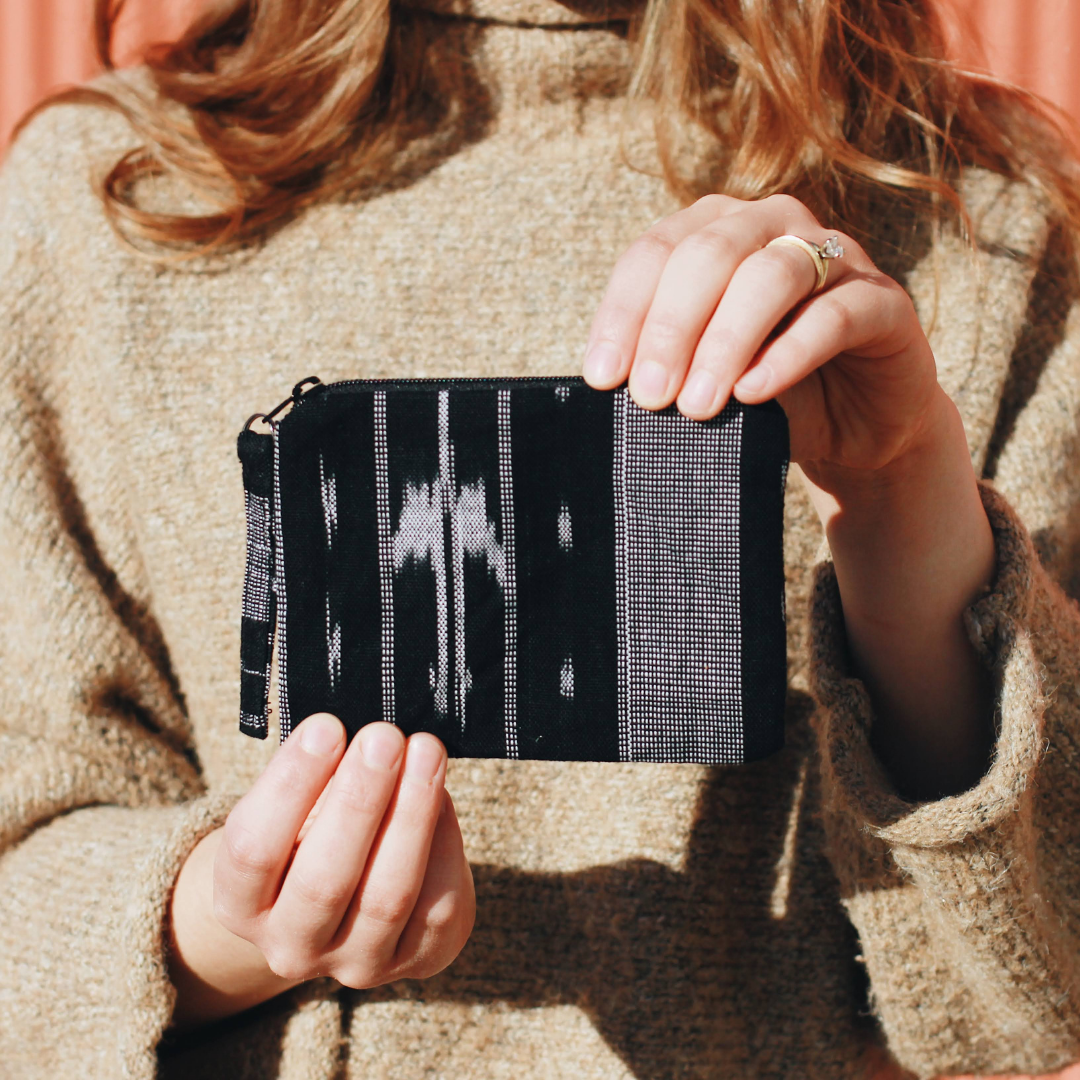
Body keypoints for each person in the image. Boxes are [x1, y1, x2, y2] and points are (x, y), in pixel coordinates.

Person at [2, 0, 1080, 1076]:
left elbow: (1045, 985)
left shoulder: (974, 212)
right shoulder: (114, 195)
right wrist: (220, 926)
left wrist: (900, 495)